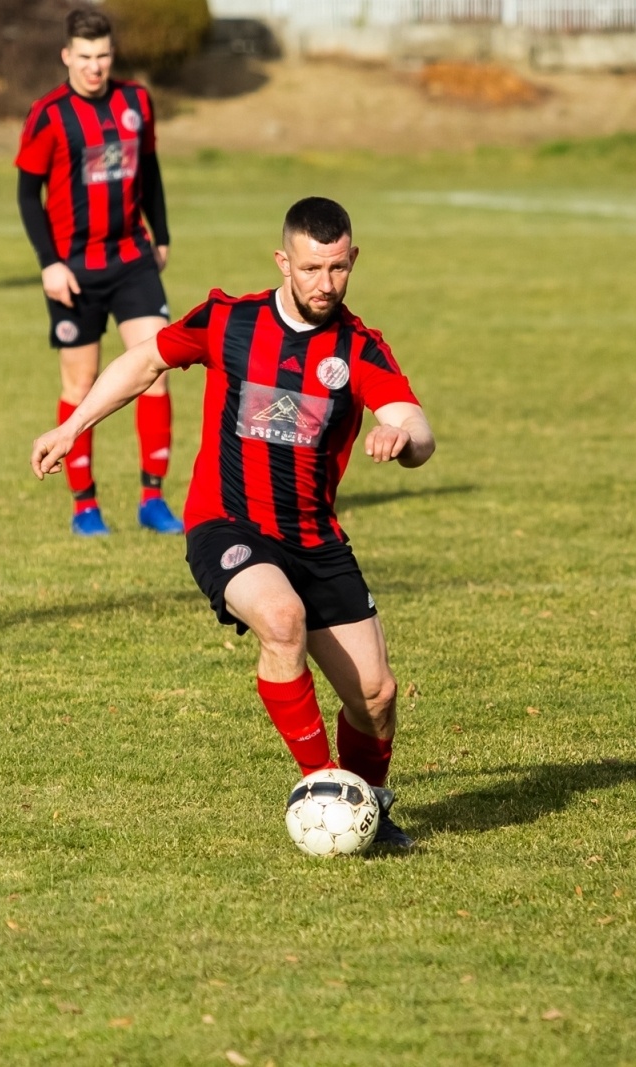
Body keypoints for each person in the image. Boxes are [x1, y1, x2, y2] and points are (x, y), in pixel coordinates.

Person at [30, 197, 435, 849]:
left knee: (377, 695)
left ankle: (368, 808)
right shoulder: (230, 321)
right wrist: (73, 426)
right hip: (228, 524)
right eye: (311, 268)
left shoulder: (358, 347)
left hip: (315, 538)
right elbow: (144, 360)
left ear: (353, 259)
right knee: (281, 619)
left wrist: (404, 438)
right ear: (283, 262)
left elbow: (414, 421)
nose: (325, 283)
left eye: (337, 268)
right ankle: (321, 787)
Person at [15, 8, 178, 537]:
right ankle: (85, 505)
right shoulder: (48, 115)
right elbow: (27, 194)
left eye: (103, 55)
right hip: (74, 269)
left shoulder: (136, 102)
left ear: (112, 55)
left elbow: (149, 170)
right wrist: (49, 263)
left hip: (132, 259)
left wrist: (161, 235)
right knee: (82, 383)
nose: (94, 66)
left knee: (156, 370)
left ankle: (152, 499)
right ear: (67, 55)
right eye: (84, 56)